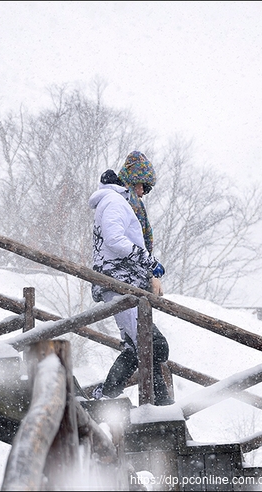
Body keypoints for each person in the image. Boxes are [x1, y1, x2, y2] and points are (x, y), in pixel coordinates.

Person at [89, 151, 172, 405]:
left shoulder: (118, 201)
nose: (144, 191)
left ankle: (161, 406)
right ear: (133, 180)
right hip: (120, 283)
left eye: (148, 187)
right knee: (153, 345)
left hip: (127, 283)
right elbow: (115, 240)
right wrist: (148, 262)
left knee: (142, 346)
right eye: (143, 185)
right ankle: (109, 394)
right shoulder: (115, 202)